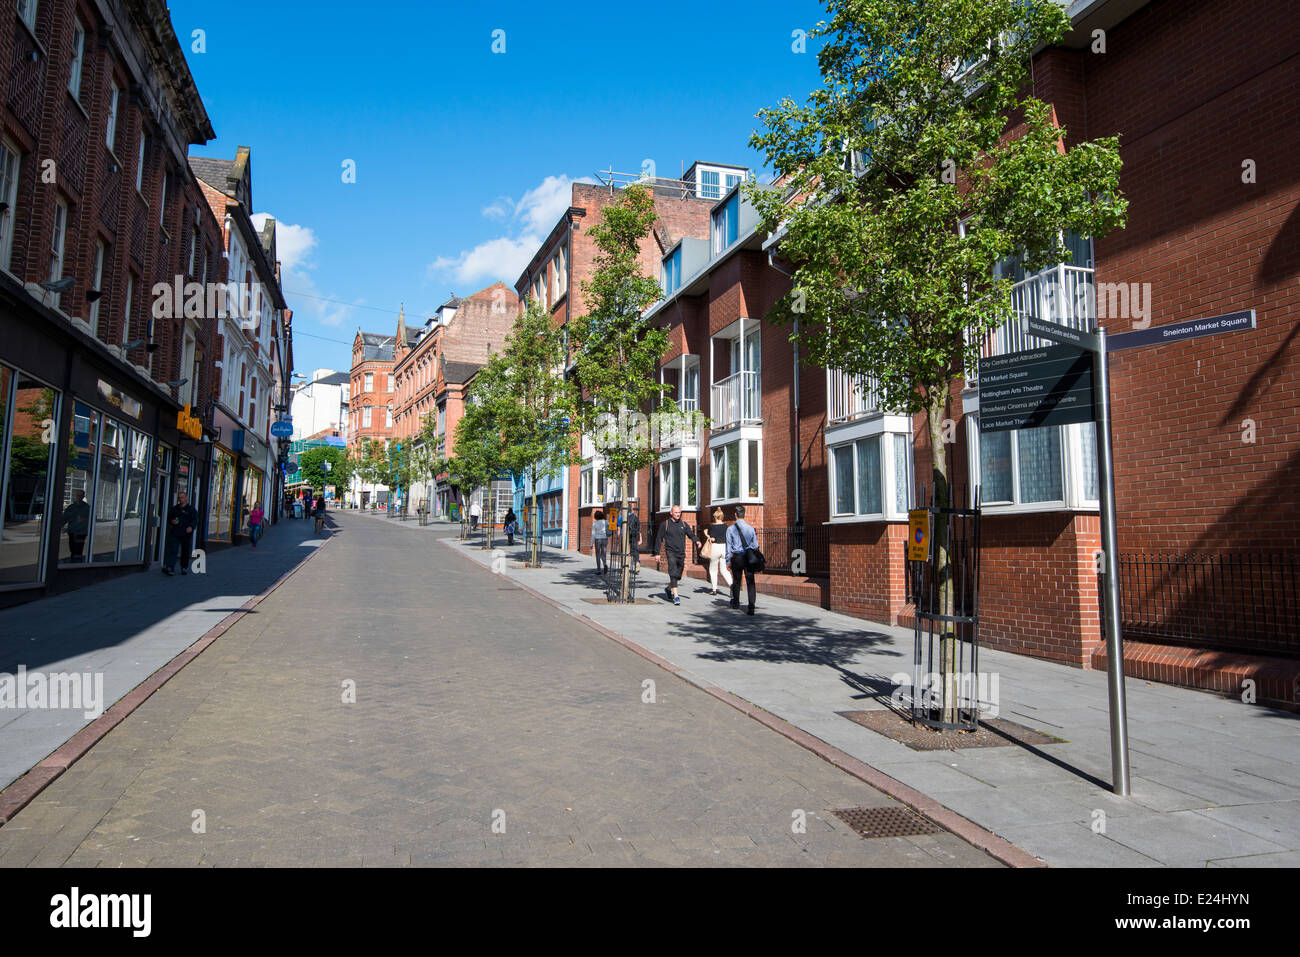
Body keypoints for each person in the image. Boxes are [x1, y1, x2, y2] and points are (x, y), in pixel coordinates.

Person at [653, 504, 700, 607]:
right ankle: (676, 596)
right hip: (670, 552)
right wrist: (657, 553)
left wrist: (696, 541)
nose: (678, 514)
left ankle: (668, 588)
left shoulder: (683, 524)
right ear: (671, 513)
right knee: (673, 572)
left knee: (678, 575)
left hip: (681, 553)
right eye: (676, 512)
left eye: (679, 512)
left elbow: (691, 534)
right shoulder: (665, 524)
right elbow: (659, 539)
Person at [726, 504, 759, 615]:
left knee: (736, 580)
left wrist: (728, 561)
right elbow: (755, 545)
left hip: (737, 557)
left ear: (735, 515)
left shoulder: (730, 529)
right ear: (744, 515)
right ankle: (751, 607)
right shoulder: (750, 528)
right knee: (750, 582)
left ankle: (736, 603)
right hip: (748, 557)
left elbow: (728, 547)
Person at [163, 491, 199, 576]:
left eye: (182, 497)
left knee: (185, 551)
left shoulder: (191, 509)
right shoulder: (175, 509)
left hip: (186, 533)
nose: (181, 499)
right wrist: (172, 521)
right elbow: (169, 518)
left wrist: (191, 527)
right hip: (175, 532)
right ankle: (170, 567)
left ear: (186, 498)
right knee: (173, 550)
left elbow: (195, 520)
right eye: (179, 498)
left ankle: (184, 567)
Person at [701, 507, 734, 596]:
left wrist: (706, 534)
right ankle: (732, 585)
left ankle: (714, 589)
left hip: (715, 548)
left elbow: (712, 538)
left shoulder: (712, 527)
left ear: (715, 517)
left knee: (713, 569)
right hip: (724, 547)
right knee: (724, 569)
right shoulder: (726, 527)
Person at [61, 490, 90, 561]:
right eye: (77, 495)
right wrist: (61, 527)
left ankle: (77, 562)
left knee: (79, 549)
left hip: (81, 532)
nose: (78, 497)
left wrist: (84, 520)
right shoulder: (71, 507)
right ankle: (73, 561)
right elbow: (65, 518)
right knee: (72, 548)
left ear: (83, 497)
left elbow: (92, 518)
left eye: (80, 495)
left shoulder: (87, 508)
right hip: (72, 531)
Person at [591, 509, 609, 575]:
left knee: (598, 555)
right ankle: (605, 564)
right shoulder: (606, 522)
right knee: (603, 553)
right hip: (605, 538)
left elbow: (593, 534)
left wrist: (591, 544)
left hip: (597, 539)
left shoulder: (595, 523)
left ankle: (599, 570)